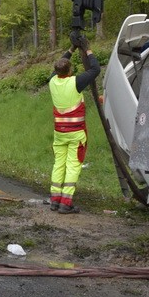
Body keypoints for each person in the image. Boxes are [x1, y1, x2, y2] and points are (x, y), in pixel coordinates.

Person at [47, 33, 100, 214]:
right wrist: (87, 49)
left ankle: (55, 200)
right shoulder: (75, 82)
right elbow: (95, 70)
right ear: (70, 71)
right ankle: (66, 202)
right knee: (73, 165)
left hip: (59, 133)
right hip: (76, 133)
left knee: (58, 164)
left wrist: (71, 49)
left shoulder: (52, 81)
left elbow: (60, 64)